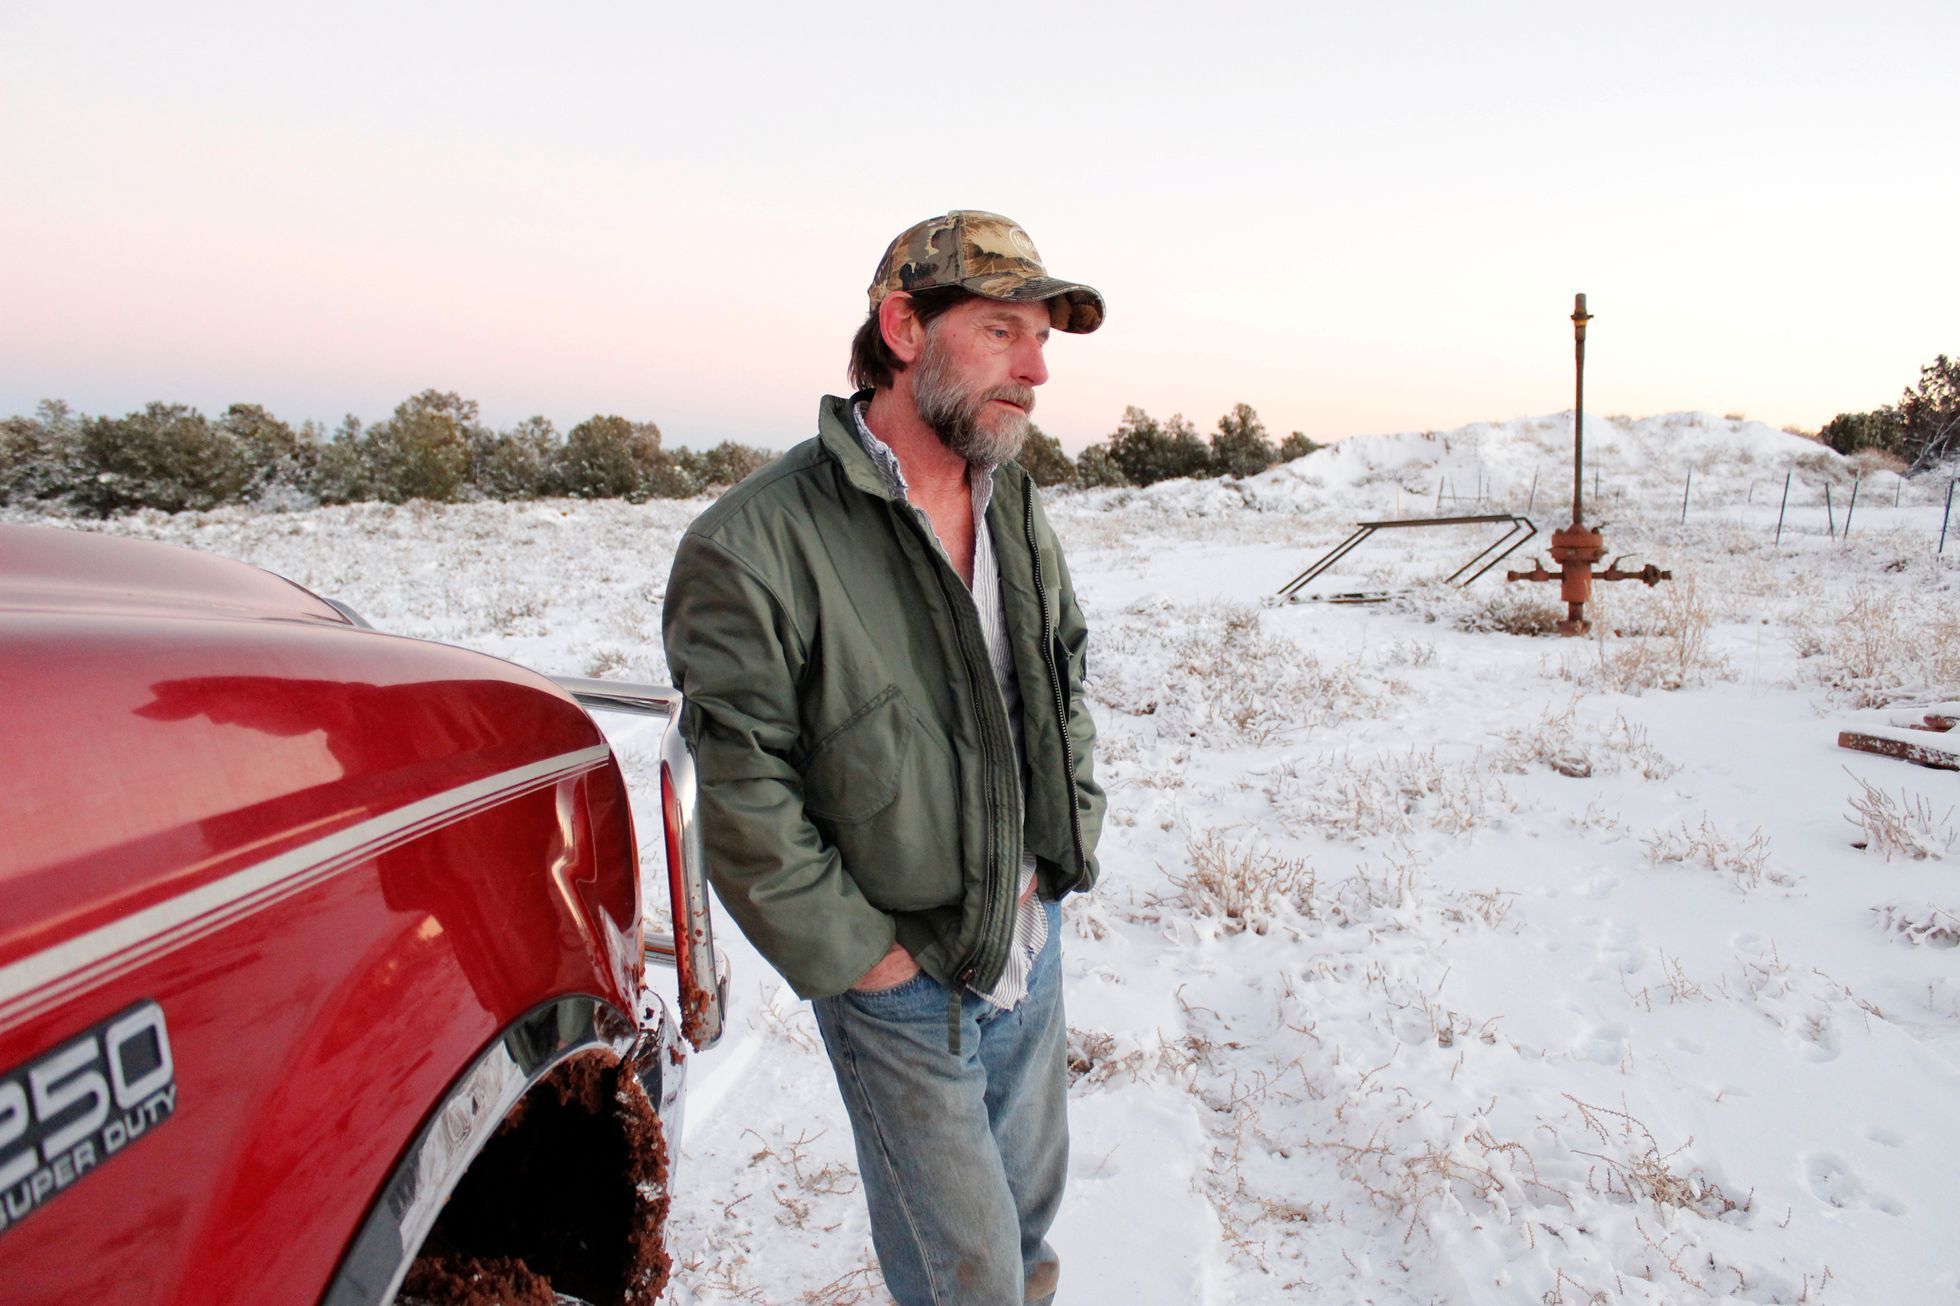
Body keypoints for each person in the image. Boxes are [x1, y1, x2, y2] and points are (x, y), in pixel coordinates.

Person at [661, 210, 1107, 1305]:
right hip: (901, 980)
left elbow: (1062, 673)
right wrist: (867, 960)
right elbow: (738, 785)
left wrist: (1062, 845)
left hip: (1026, 938)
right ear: (902, 326)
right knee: (968, 1281)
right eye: (1003, 329)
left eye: (1041, 338)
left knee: (1027, 1239)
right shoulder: (755, 541)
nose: (1036, 367)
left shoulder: (1013, 504)